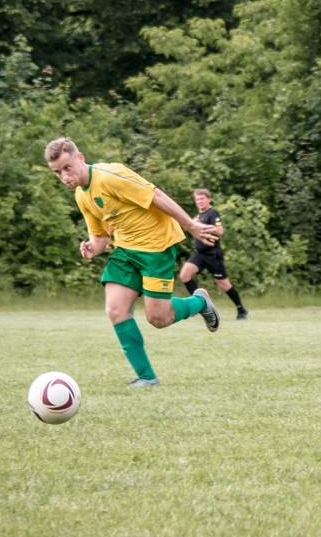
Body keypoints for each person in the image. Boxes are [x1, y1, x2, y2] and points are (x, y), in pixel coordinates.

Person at [44, 137, 221, 389]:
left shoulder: (109, 176)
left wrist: (190, 224)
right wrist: (91, 248)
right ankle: (147, 378)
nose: (64, 176)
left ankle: (200, 302)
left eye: (67, 167)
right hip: (126, 249)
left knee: (158, 319)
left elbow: (156, 195)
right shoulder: (82, 196)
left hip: (156, 247)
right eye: (57, 172)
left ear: (80, 158)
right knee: (115, 310)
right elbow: (101, 236)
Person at [179, 188, 250, 320]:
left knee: (223, 284)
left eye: (202, 198)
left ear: (208, 199)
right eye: (197, 199)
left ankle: (241, 309)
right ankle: (200, 306)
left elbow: (220, 230)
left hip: (213, 254)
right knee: (185, 275)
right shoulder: (199, 216)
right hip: (199, 254)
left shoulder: (212, 213)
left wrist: (203, 227)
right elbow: (190, 226)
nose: (200, 201)